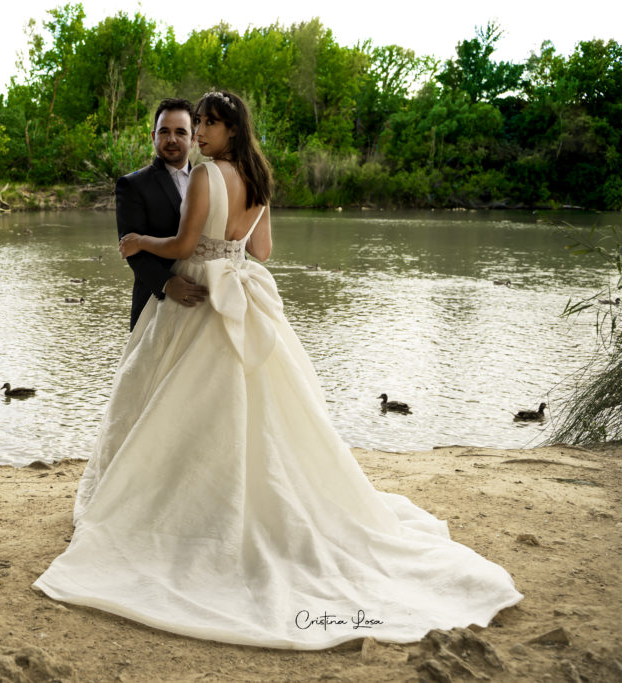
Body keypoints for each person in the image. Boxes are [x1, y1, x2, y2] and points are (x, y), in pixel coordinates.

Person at [33, 90, 522, 649]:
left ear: (230, 130)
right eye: (198, 126)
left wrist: (143, 241)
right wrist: (226, 246)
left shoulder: (205, 176)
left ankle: (183, 510)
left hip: (200, 301)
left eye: (208, 126)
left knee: (184, 407)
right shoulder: (259, 180)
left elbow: (188, 243)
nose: (198, 135)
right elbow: (260, 250)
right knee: (254, 413)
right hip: (241, 286)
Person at [116, 97, 209, 330]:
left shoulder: (211, 180)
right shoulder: (132, 185)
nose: (172, 139)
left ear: (194, 138)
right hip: (155, 302)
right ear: (153, 136)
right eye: (164, 131)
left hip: (207, 302)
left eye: (180, 132)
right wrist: (167, 284)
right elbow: (131, 249)